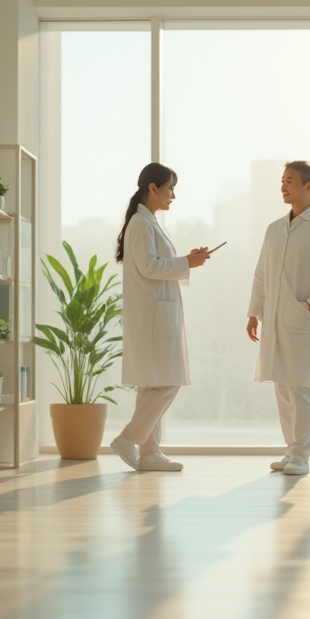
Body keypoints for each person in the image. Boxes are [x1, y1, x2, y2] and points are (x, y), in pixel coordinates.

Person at [109, 163, 211, 472]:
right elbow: (149, 267)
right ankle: (129, 438)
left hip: (155, 316)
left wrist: (186, 260)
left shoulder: (148, 222)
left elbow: (155, 263)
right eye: (170, 189)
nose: (174, 196)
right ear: (153, 189)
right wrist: (186, 263)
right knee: (168, 381)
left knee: (151, 385)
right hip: (152, 318)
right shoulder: (141, 224)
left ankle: (150, 452)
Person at [246, 161, 310, 476]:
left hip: (301, 319)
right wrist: (254, 312)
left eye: (290, 181)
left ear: (308, 186)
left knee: (299, 388)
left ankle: (301, 456)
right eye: (282, 180)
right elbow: (261, 274)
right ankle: (291, 451)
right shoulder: (274, 229)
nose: (283, 186)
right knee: (282, 386)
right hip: (274, 320)